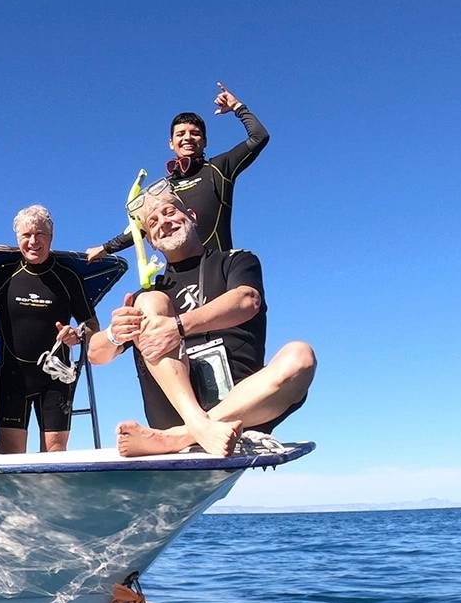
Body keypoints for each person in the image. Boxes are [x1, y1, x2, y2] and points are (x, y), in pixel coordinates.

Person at [87, 187, 315, 456]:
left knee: (301, 355)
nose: (163, 222)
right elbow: (95, 354)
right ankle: (195, 423)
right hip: (177, 411)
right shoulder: (149, 292)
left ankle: (179, 437)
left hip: (243, 409)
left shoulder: (235, 260)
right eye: (153, 222)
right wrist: (115, 333)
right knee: (149, 302)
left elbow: (247, 300)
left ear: (191, 216)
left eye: (169, 211)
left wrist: (178, 326)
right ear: (150, 242)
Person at [0, 205, 97, 454]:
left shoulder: (68, 277)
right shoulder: (4, 274)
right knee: (12, 456)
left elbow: (92, 326)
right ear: (17, 238)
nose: (33, 241)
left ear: (51, 237)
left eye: (40, 234)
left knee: (55, 454)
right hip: (13, 377)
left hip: (56, 377)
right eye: (26, 235)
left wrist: (77, 334)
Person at [86, 83, 269, 261]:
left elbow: (259, 136)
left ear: (204, 141)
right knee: (144, 294)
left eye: (195, 133)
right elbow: (140, 228)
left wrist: (237, 107)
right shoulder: (162, 188)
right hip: (180, 275)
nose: (188, 137)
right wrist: (105, 248)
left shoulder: (219, 168)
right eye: (180, 134)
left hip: (219, 269)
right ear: (171, 143)